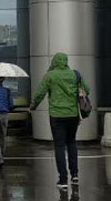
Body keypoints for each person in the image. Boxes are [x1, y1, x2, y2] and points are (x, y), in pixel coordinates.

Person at [30, 52, 90, 189]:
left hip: (57, 116)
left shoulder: (50, 75)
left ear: (54, 62)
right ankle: (75, 174)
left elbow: (40, 93)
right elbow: (87, 90)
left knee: (59, 146)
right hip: (73, 115)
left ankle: (63, 180)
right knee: (72, 142)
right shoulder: (75, 74)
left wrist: (33, 106)